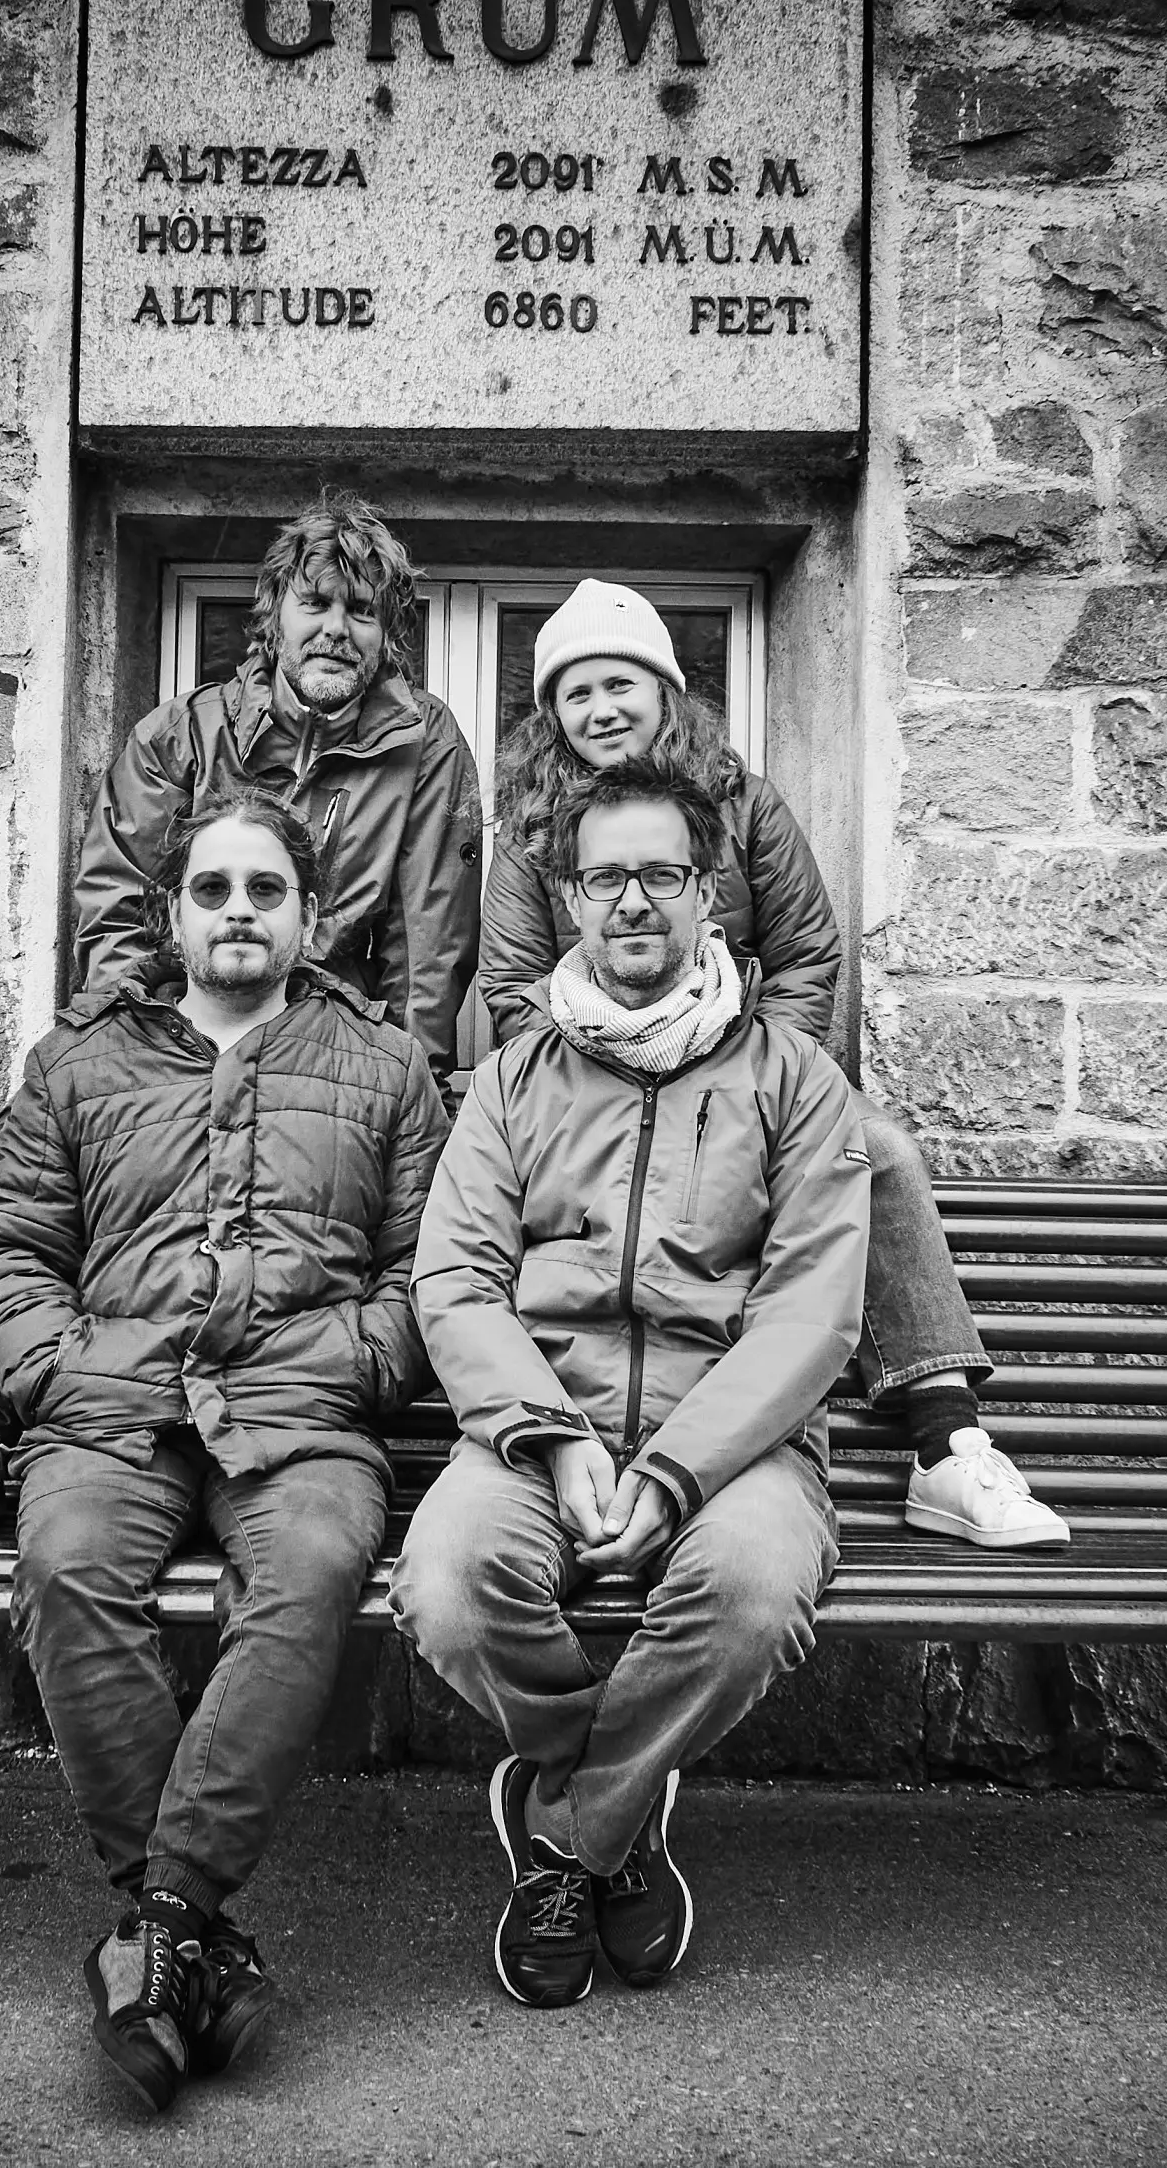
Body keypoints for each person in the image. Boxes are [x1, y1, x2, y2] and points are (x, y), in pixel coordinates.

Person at [0, 494, 483, 1516]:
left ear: (391, 635)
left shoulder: (426, 751)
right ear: (273, 613)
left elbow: (430, 941)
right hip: (174, 1013)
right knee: (47, 1118)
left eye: (363, 613)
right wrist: (123, 1040)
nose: (337, 629)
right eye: (316, 602)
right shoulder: (184, 735)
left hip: (323, 1043)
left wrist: (403, 1081)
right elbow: (116, 901)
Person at [0, 793, 451, 2107]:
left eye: (266, 888)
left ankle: (157, 1925)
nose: (240, 908)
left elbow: (429, 1273)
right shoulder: (81, 1063)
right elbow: (2, 1247)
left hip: (303, 1422)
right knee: (65, 1565)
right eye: (215, 887)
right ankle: (192, 1933)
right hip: (112, 1408)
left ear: (310, 913)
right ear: (174, 914)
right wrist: (62, 1365)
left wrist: (350, 1362)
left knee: (309, 1573)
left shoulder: (384, 1067)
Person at [390, 759, 870, 2008]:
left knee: (757, 1591)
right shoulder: (510, 1085)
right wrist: (554, 1441)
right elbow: (456, 1284)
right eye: (606, 877)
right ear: (570, 898)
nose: (633, 902)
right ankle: (619, 1800)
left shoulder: (796, 1084)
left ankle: (565, 1832)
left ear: (709, 893)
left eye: (662, 874)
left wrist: (672, 1470)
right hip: (536, 1434)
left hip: (738, 1448)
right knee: (445, 1585)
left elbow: (813, 1313)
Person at [479, 579, 1066, 1551]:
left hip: (748, 1067)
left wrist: (768, 1071)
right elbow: (510, 988)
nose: (601, 709)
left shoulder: (740, 804)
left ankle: (947, 1446)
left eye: (620, 683)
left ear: (666, 690)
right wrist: (593, 1073)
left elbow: (806, 951)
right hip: (594, 1080)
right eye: (576, 694)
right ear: (553, 716)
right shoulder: (536, 832)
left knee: (873, 1146)